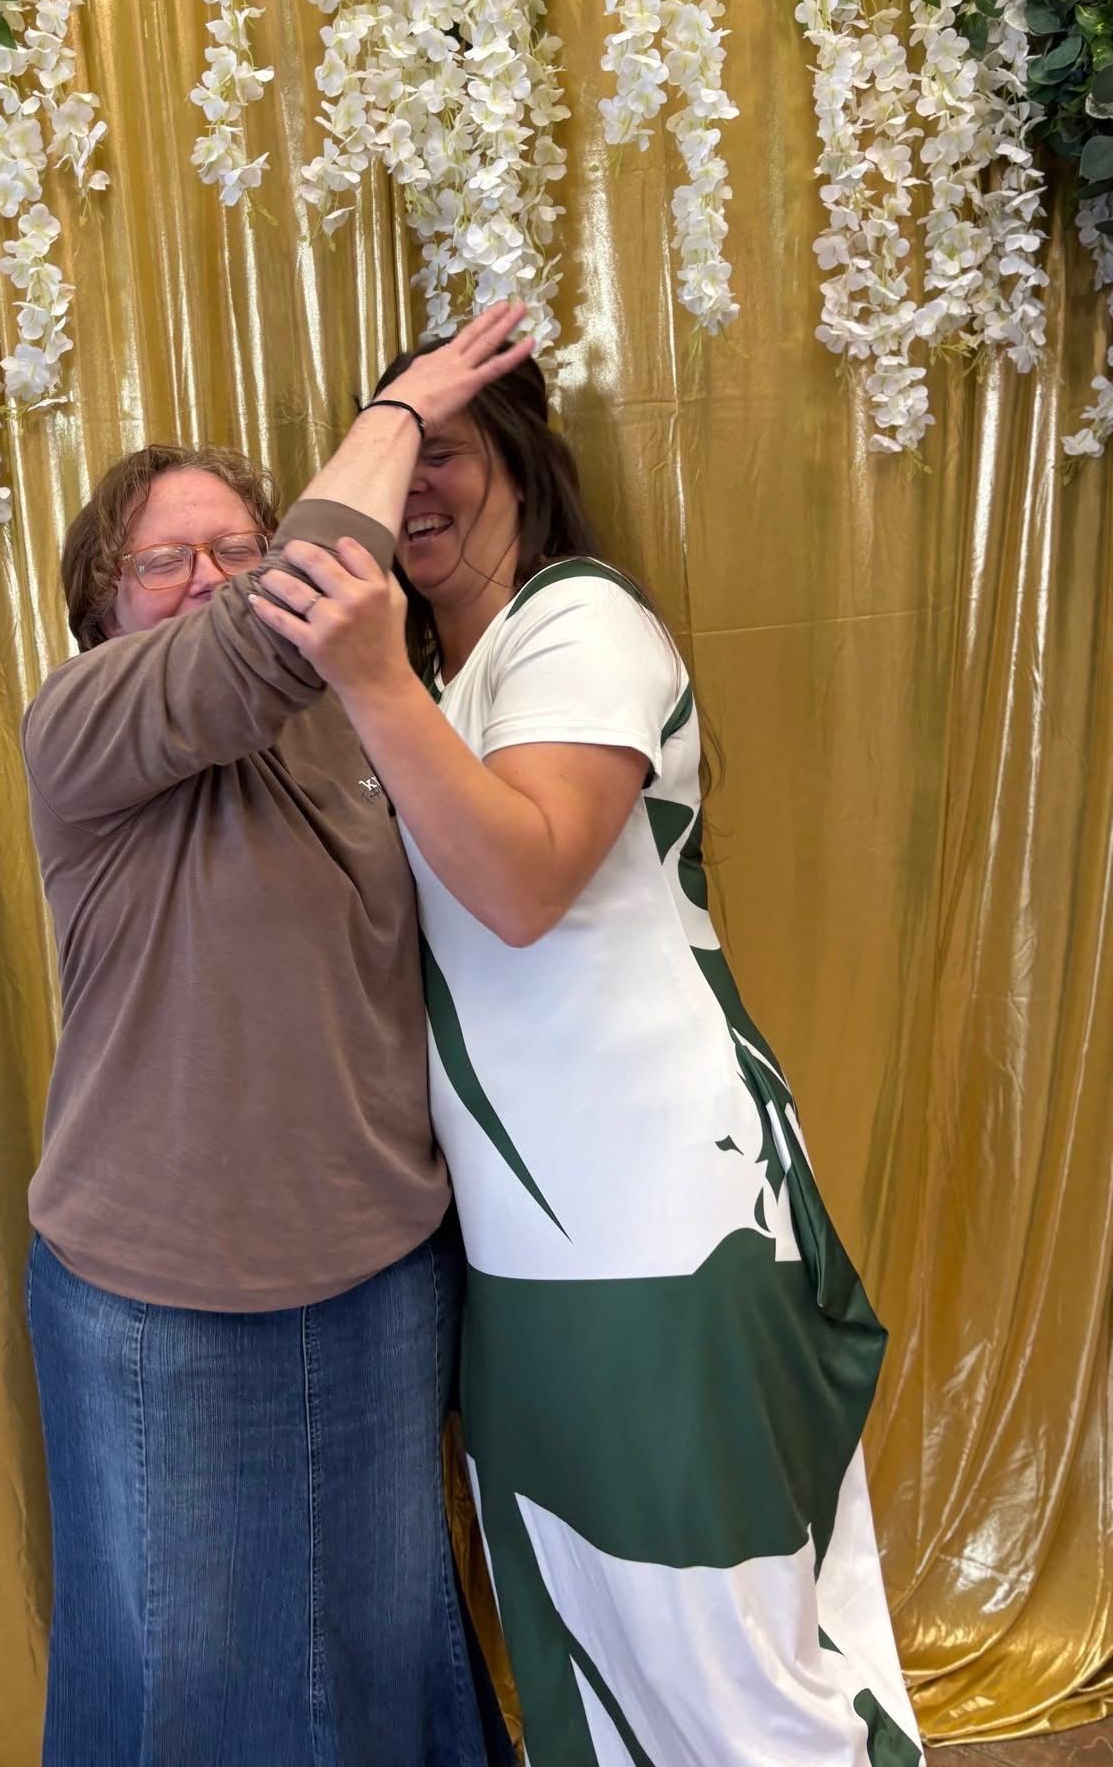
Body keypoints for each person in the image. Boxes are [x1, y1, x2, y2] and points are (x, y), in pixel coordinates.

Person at [251, 343, 926, 1767]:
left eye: (444, 444)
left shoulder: (580, 623)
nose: (415, 485)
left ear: (518, 457)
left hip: (664, 1218)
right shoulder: (447, 674)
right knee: (591, 1646)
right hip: (522, 1241)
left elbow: (523, 883)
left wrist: (372, 679)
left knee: (717, 1643)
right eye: (395, 452)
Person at [18, 310, 531, 1766]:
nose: (211, 582)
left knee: (375, 1650)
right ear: (102, 606)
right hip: (160, 1303)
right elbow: (263, 642)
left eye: (236, 550)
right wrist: (404, 407)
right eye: (164, 561)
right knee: (188, 1678)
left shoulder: (370, 724)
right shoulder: (84, 726)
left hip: (377, 1277)